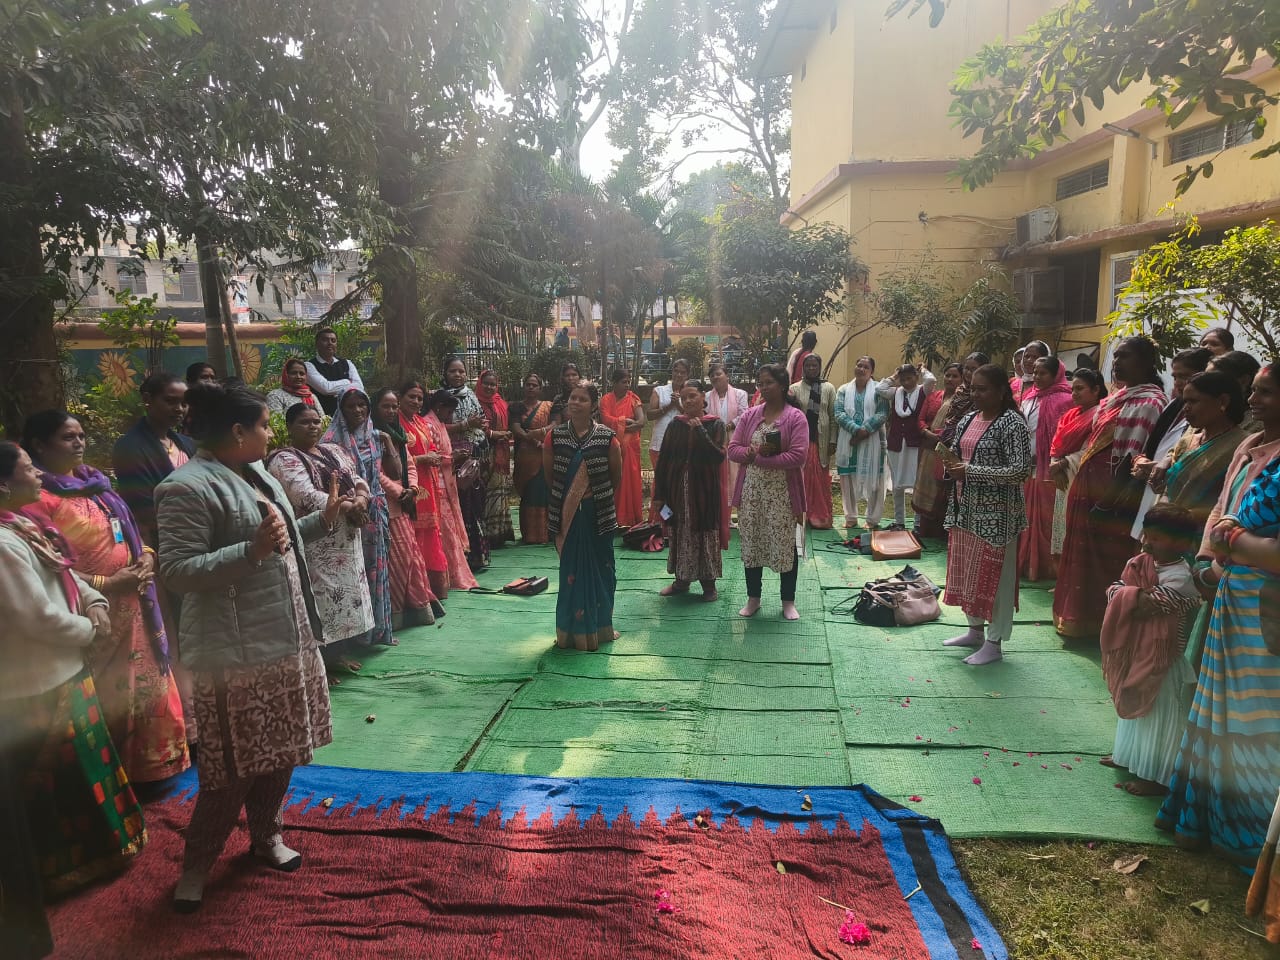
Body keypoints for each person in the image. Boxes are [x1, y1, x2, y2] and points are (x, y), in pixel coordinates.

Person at [155, 381, 340, 911]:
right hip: (233, 656)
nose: (269, 432)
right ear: (237, 431)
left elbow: (282, 543)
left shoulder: (257, 472)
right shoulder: (185, 487)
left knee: (282, 751)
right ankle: (197, 865)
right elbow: (177, 571)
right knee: (230, 771)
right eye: (262, 424)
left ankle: (266, 836)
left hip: (287, 640)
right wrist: (249, 551)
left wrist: (323, 520)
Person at [0, 441, 145, 910]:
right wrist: (89, 630)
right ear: (3, 484)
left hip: (66, 669)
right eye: (28, 468)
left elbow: (65, 572)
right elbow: (35, 617)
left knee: (85, 767)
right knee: (56, 781)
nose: (37, 475)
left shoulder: (22, 525)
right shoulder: (3, 544)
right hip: (39, 680)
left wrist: (94, 600)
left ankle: (104, 851)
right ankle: (62, 870)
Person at [24, 410, 190, 787]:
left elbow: (132, 534)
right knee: (104, 693)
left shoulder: (98, 485)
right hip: (92, 611)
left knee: (148, 681)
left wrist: (147, 557)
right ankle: (112, 776)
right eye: (68, 437)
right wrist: (107, 583)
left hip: (136, 605)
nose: (79, 443)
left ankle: (155, 766)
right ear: (39, 445)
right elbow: (44, 567)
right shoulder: (36, 499)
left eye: (81, 435)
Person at [1156, 363, 1280, 866]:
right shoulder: (1251, 448)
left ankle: (1250, 836)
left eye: (1265, 392)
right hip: (1231, 594)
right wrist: (1212, 562)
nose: (1254, 400)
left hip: (1266, 609)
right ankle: (1202, 819)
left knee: (1254, 718)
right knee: (1215, 707)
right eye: (1254, 391)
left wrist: (1234, 544)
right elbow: (1222, 511)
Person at [1053, 337, 1167, 639]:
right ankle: (1075, 617)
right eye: (1115, 356)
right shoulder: (1114, 400)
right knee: (1079, 552)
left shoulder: (1153, 403)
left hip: (1117, 493)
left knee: (1106, 556)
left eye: (1125, 356)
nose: (1116, 363)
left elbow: (1144, 453)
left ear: (1146, 362)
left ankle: (1104, 621)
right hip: (1087, 484)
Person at [266, 403, 376, 681]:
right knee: (321, 600)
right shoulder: (284, 459)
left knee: (344, 599)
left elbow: (357, 477)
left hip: (347, 539)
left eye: (316, 421)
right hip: (318, 541)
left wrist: (362, 498)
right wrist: (350, 506)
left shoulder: (332, 450)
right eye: (304, 422)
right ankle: (320, 664)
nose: (312, 426)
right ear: (289, 427)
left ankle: (336, 655)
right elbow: (305, 495)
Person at [1098, 504, 1202, 796]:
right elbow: (1116, 591)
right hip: (1137, 651)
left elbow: (1143, 605)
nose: (1147, 542)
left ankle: (1156, 776)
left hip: (1161, 659)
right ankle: (1127, 755)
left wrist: (1124, 592)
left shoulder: (1180, 577)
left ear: (1182, 543)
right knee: (1134, 701)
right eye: (1147, 535)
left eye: (1157, 538)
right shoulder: (1141, 563)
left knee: (1159, 715)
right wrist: (1127, 593)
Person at [940, 364, 1033, 666]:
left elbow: (1020, 471)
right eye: (973, 389)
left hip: (998, 517)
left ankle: (994, 643)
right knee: (970, 572)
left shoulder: (1012, 423)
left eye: (983, 389)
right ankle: (975, 631)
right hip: (964, 510)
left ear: (1001, 391)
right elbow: (959, 455)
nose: (976, 394)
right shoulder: (969, 418)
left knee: (998, 580)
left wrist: (970, 471)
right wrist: (951, 464)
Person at [545, 382, 622, 651]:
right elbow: (550, 477)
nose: (575, 403)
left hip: (598, 515)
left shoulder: (607, 438)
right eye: (572, 398)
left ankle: (601, 630)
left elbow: (615, 479)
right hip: (567, 517)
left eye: (582, 399)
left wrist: (590, 498)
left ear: (593, 405)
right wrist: (570, 501)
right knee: (571, 573)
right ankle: (569, 634)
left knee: (603, 571)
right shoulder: (555, 437)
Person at [729, 363, 808, 621]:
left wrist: (761, 459)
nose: (763, 387)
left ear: (783, 385)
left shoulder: (796, 417)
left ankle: (788, 601)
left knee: (784, 545)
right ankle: (753, 598)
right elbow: (733, 449)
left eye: (768, 383)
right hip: (752, 493)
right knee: (752, 542)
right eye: (760, 383)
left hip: (782, 494)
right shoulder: (751, 415)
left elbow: (798, 456)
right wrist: (750, 453)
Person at [322, 388, 395, 646]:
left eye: (362, 405)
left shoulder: (374, 436)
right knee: (355, 573)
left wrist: (388, 442)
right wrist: (354, 503)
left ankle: (378, 630)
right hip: (348, 514)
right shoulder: (330, 442)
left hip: (374, 511)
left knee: (377, 568)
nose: (357, 410)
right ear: (341, 410)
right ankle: (354, 638)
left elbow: (393, 472)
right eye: (350, 406)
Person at [371, 388, 440, 628]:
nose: (391, 411)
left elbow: (409, 462)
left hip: (404, 503)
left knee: (411, 558)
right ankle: (396, 615)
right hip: (386, 507)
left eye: (393, 406)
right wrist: (399, 492)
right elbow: (374, 472)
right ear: (375, 408)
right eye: (385, 406)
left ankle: (417, 608)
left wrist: (412, 487)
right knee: (398, 562)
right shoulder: (372, 436)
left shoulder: (398, 433)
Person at [1127, 347, 1212, 539]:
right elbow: (1154, 446)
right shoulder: (1174, 406)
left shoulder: (1204, 417)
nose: (1178, 382)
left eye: (1185, 376)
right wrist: (1143, 462)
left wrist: (1163, 467)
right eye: (1175, 377)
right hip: (1152, 489)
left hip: (1177, 501)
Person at [654, 381, 727, 601]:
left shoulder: (715, 424)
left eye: (692, 396)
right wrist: (659, 495)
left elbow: (718, 456)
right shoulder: (675, 425)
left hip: (704, 491)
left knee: (704, 533)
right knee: (680, 532)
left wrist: (700, 432)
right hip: (677, 491)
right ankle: (681, 581)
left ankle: (709, 585)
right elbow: (664, 461)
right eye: (684, 398)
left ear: (703, 397)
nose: (688, 401)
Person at [113, 371, 196, 548]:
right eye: (170, 401)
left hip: (197, 533)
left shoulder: (188, 444)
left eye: (184, 403)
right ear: (147, 399)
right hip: (162, 542)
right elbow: (142, 508)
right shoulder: (130, 447)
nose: (179, 409)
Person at [1159, 371, 1248, 528]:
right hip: (1165, 530)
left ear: (1223, 401)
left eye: (1193, 401)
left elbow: (1234, 502)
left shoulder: (1244, 446)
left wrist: (1180, 517)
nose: (1185, 408)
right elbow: (1168, 491)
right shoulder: (1185, 442)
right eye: (1185, 401)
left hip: (1206, 533)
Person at [1017, 356, 1074, 580]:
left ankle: (1047, 567)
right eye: (1035, 372)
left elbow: (1066, 438)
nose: (1037, 377)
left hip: (1050, 469)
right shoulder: (1029, 398)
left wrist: (1052, 459)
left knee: (1047, 517)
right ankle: (1027, 564)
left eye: (1043, 373)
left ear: (1055, 375)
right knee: (1026, 515)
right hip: (1027, 466)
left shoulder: (1064, 400)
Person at [395, 380, 454, 595]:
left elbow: (430, 447)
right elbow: (393, 459)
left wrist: (434, 457)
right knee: (415, 534)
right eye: (411, 396)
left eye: (420, 398)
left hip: (428, 482)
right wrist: (422, 459)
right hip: (409, 485)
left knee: (431, 534)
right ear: (400, 397)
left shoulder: (420, 421)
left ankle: (433, 587)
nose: (416, 401)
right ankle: (417, 589)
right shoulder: (395, 423)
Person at [424, 390, 482, 590]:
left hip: (446, 483)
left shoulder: (438, 423)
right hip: (437, 485)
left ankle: (452, 574)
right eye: (449, 412)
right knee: (447, 532)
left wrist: (452, 456)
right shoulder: (428, 424)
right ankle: (449, 576)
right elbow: (430, 456)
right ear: (439, 407)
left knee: (451, 531)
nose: (450, 417)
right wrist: (452, 458)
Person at [1047, 369, 1107, 559]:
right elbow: (1056, 445)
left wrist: (1063, 463)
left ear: (1096, 390)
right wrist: (1055, 465)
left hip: (1083, 480)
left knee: (1077, 530)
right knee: (1061, 527)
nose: (1074, 394)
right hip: (1063, 478)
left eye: (1080, 389)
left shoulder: (1102, 415)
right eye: (1073, 389)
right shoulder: (1070, 415)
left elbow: (1094, 449)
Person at [442, 356, 491, 571]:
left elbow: (479, 419)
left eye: (461, 371)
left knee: (474, 506)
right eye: (453, 371)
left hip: (473, 459)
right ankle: (461, 559)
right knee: (459, 507)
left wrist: (481, 425)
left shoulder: (470, 394)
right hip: (452, 460)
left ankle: (478, 556)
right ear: (445, 374)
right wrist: (465, 424)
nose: (457, 375)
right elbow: (436, 426)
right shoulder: (440, 398)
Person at [877, 363, 937, 532]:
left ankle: (917, 523)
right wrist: (894, 376)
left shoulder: (923, 391)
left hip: (914, 444)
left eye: (909, 378)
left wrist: (922, 369)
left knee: (917, 483)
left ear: (916, 377)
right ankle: (899, 522)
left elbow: (931, 380)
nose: (906, 382)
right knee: (897, 484)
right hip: (896, 443)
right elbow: (880, 389)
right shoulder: (896, 392)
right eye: (902, 379)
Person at [834, 356, 889, 530]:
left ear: (872, 371)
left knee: (876, 479)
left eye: (866, 367)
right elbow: (839, 413)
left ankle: (872, 519)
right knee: (847, 479)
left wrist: (866, 430)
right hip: (849, 440)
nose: (862, 369)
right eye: (859, 365)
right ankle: (850, 517)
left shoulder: (879, 390)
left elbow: (882, 413)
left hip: (873, 440)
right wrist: (857, 430)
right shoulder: (843, 390)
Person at [913, 362, 963, 539]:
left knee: (941, 488)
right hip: (928, 446)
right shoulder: (934, 396)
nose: (950, 379)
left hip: (946, 449)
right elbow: (920, 419)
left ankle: (940, 530)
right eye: (947, 375)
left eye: (955, 376)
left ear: (962, 379)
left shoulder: (962, 401)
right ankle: (922, 527)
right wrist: (927, 433)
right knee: (924, 484)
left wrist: (942, 437)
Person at [789, 354, 837, 530]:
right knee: (801, 478)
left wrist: (833, 440)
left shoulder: (828, 388)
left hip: (821, 441)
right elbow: (790, 416)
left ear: (819, 367)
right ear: (803, 367)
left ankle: (819, 516)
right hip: (802, 442)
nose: (811, 368)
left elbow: (833, 416)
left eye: (814, 365)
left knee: (820, 479)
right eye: (808, 365)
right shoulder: (794, 389)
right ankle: (801, 515)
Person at [508, 373, 554, 544]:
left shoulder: (548, 406)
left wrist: (541, 433)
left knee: (543, 491)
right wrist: (532, 439)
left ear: (540, 388)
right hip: (525, 457)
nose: (531, 387)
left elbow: (555, 424)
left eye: (535, 385)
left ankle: (545, 533)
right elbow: (515, 427)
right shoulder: (516, 407)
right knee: (528, 493)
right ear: (524, 386)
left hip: (544, 455)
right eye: (528, 384)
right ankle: (530, 534)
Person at [599, 367, 646, 529]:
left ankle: (630, 518)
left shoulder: (633, 399)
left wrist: (625, 424)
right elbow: (606, 419)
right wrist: (625, 421)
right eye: (623, 382)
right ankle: (614, 517)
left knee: (630, 480)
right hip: (612, 446)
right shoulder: (606, 400)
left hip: (631, 447)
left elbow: (641, 421)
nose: (627, 385)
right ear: (614, 383)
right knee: (615, 479)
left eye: (628, 382)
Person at [707, 362, 748, 543]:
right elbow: (705, 416)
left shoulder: (740, 394)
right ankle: (721, 518)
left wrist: (730, 425)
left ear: (727, 376)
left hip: (735, 441)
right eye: (712, 376)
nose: (715, 377)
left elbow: (744, 414)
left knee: (737, 478)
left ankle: (741, 517)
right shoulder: (707, 397)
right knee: (719, 479)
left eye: (718, 374)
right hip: (715, 443)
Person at [648, 357, 691, 521]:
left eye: (682, 372)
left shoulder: (690, 393)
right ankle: (658, 521)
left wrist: (678, 405)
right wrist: (668, 406)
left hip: (682, 445)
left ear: (687, 374)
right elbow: (650, 415)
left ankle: (674, 521)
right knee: (661, 483)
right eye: (676, 371)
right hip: (660, 444)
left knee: (678, 483)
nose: (678, 375)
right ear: (671, 372)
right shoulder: (659, 390)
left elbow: (694, 415)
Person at [476, 370, 515, 549]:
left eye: (493, 384)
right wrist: (494, 434)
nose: (489, 387)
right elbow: (474, 427)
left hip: (500, 453)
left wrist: (503, 435)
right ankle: (485, 535)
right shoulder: (474, 402)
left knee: (499, 491)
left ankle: (499, 533)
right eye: (486, 383)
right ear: (480, 383)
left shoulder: (500, 402)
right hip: (482, 454)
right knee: (484, 493)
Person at [305, 326, 365, 415]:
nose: (330, 343)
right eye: (325, 340)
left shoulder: (347, 363)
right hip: (323, 416)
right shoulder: (309, 366)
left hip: (348, 416)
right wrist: (348, 381)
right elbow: (326, 389)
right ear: (317, 344)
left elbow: (359, 386)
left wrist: (334, 389)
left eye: (333, 340)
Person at [1208, 349, 1263, 432]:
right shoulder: (1206, 415)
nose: (1205, 385)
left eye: (1214, 380)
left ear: (1244, 381)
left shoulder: (1259, 425)